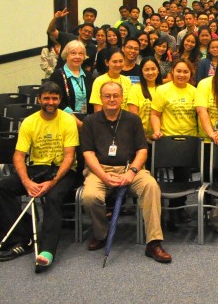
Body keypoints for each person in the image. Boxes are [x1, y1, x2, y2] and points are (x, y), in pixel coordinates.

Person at [80, 81, 171, 263]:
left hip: (132, 168)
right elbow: (88, 154)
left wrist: (131, 172)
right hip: (101, 170)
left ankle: (154, 242)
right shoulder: (90, 121)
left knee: (151, 186)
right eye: (107, 96)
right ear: (101, 98)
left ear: (122, 98)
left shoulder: (132, 119)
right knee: (89, 197)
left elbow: (142, 151)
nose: (112, 99)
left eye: (116, 96)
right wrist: (104, 176)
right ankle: (102, 233)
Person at [0, 82, 79, 271]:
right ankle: (21, 239)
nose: (50, 102)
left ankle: (47, 251)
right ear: (39, 99)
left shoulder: (68, 120)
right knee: (2, 188)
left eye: (54, 98)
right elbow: (19, 156)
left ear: (60, 100)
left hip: (62, 170)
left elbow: (69, 156)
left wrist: (52, 181)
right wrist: (27, 182)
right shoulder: (29, 122)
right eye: (46, 98)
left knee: (54, 196)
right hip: (37, 168)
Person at [150, 60, 199, 229]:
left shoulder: (194, 91)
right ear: (172, 72)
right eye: (178, 71)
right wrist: (157, 131)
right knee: (160, 178)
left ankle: (177, 209)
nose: (181, 75)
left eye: (185, 72)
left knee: (182, 177)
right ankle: (160, 210)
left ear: (190, 74)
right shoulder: (162, 90)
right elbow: (155, 114)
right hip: (167, 141)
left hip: (189, 140)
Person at [47, 40, 93, 120]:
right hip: (64, 119)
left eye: (80, 54)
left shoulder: (88, 75)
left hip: (87, 119)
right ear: (66, 55)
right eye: (73, 53)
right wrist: (75, 120)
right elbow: (57, 101)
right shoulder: (57, 76)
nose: (77, 57)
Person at [127, 58, 163, 139]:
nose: (150, 72)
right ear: (141, 72)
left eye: (153, 69)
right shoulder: (135, 88)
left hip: (160, 136)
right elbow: (133, 117)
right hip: (140, 136)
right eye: (146, 70)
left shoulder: (162, 89)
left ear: (158, 70)